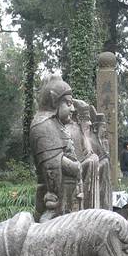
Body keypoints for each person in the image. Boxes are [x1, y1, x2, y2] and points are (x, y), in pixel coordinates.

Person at [30, 74, 82, 220]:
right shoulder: (43, 126)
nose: (72, 109)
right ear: (54, 101)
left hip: (67, 196)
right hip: (54, 199)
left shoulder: (56, 124)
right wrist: (75, 167)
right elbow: (52, 166)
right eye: (68, 103)